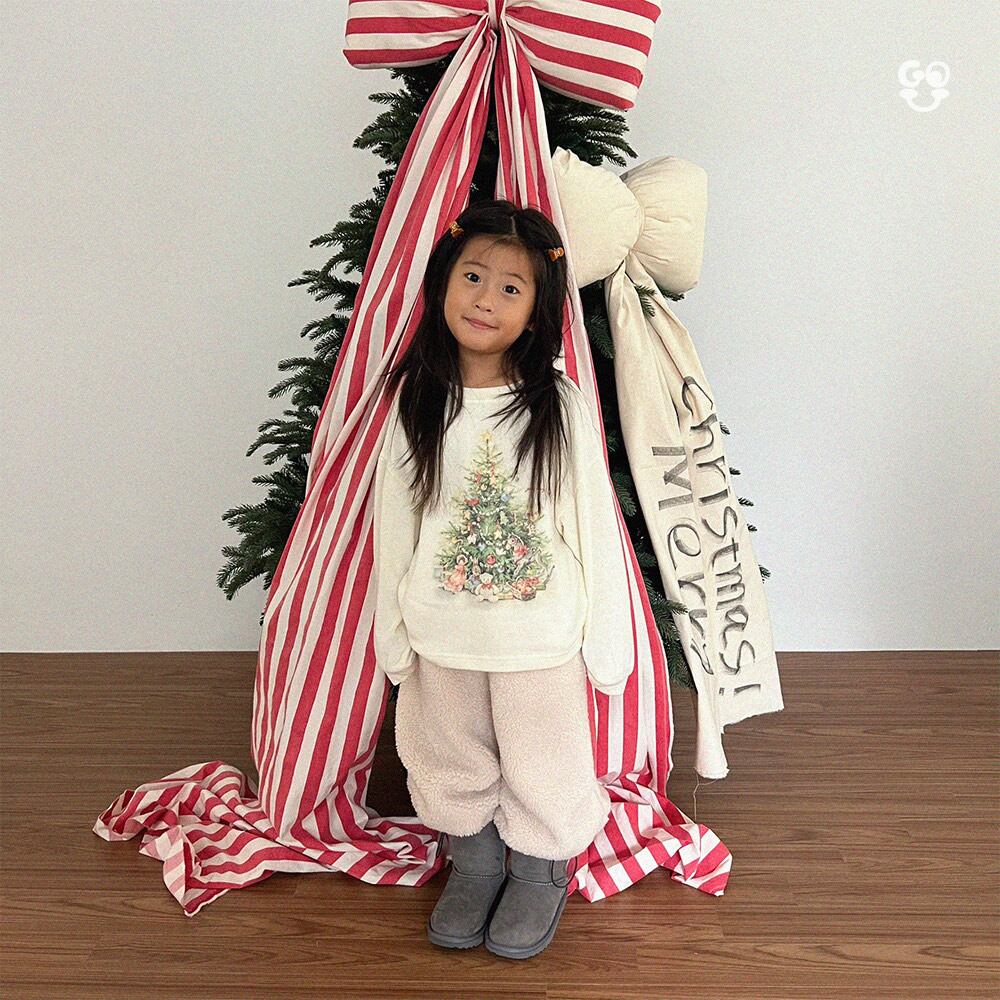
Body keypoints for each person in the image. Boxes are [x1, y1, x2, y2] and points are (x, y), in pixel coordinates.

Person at [371, 199, 633, 961]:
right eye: (474, 276)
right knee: (449, 750)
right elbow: (395, 523)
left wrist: (606, 640)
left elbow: (592, 521)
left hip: (538, 637)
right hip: (442, 630)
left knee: (543, 756)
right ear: (443, 282)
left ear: (535, 310)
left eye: (510, 288)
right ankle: (475, 859)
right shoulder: (418, 399)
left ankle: (540, 866)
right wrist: (395, 635)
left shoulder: (556, 405)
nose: (486, 298)